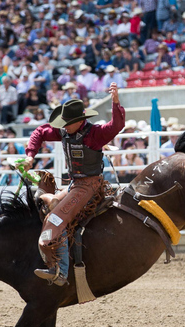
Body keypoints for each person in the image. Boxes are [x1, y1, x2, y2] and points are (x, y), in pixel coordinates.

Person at [21, 83, 125, 286]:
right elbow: (40, 132)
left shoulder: (95, 134)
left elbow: (116, 126)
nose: (63, 126)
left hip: (89, 186)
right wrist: (30, 155)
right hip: (75, 185)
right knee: (45, 204)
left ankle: (60, 271)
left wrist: (115, 103)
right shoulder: (65, 132)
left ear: (79, 121)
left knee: (56, 219)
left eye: (67, 122)